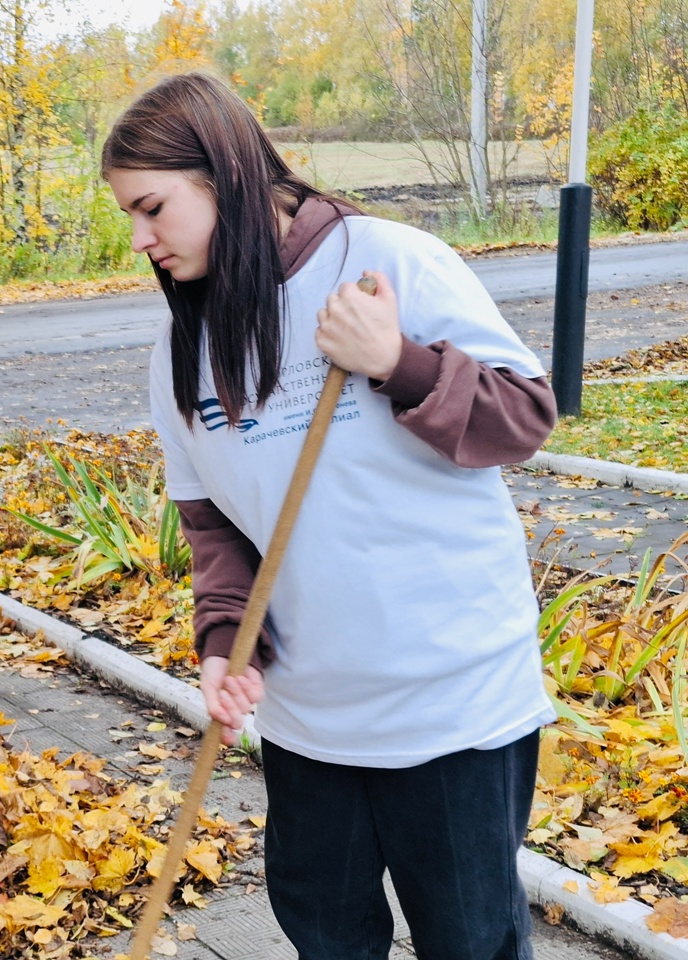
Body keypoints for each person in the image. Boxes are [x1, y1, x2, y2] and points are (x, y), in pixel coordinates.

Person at [102, 73, 556, 959]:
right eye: (131, 215)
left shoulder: (388, 262)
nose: (140, 239)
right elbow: (215, 528)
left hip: (452, 705)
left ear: (225, 174)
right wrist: (223, 639)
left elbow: (523, 419)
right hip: (310, 719)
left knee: (471, 941)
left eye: (153, 208)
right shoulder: (180, 348)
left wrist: (399, 362)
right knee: (326, 934)